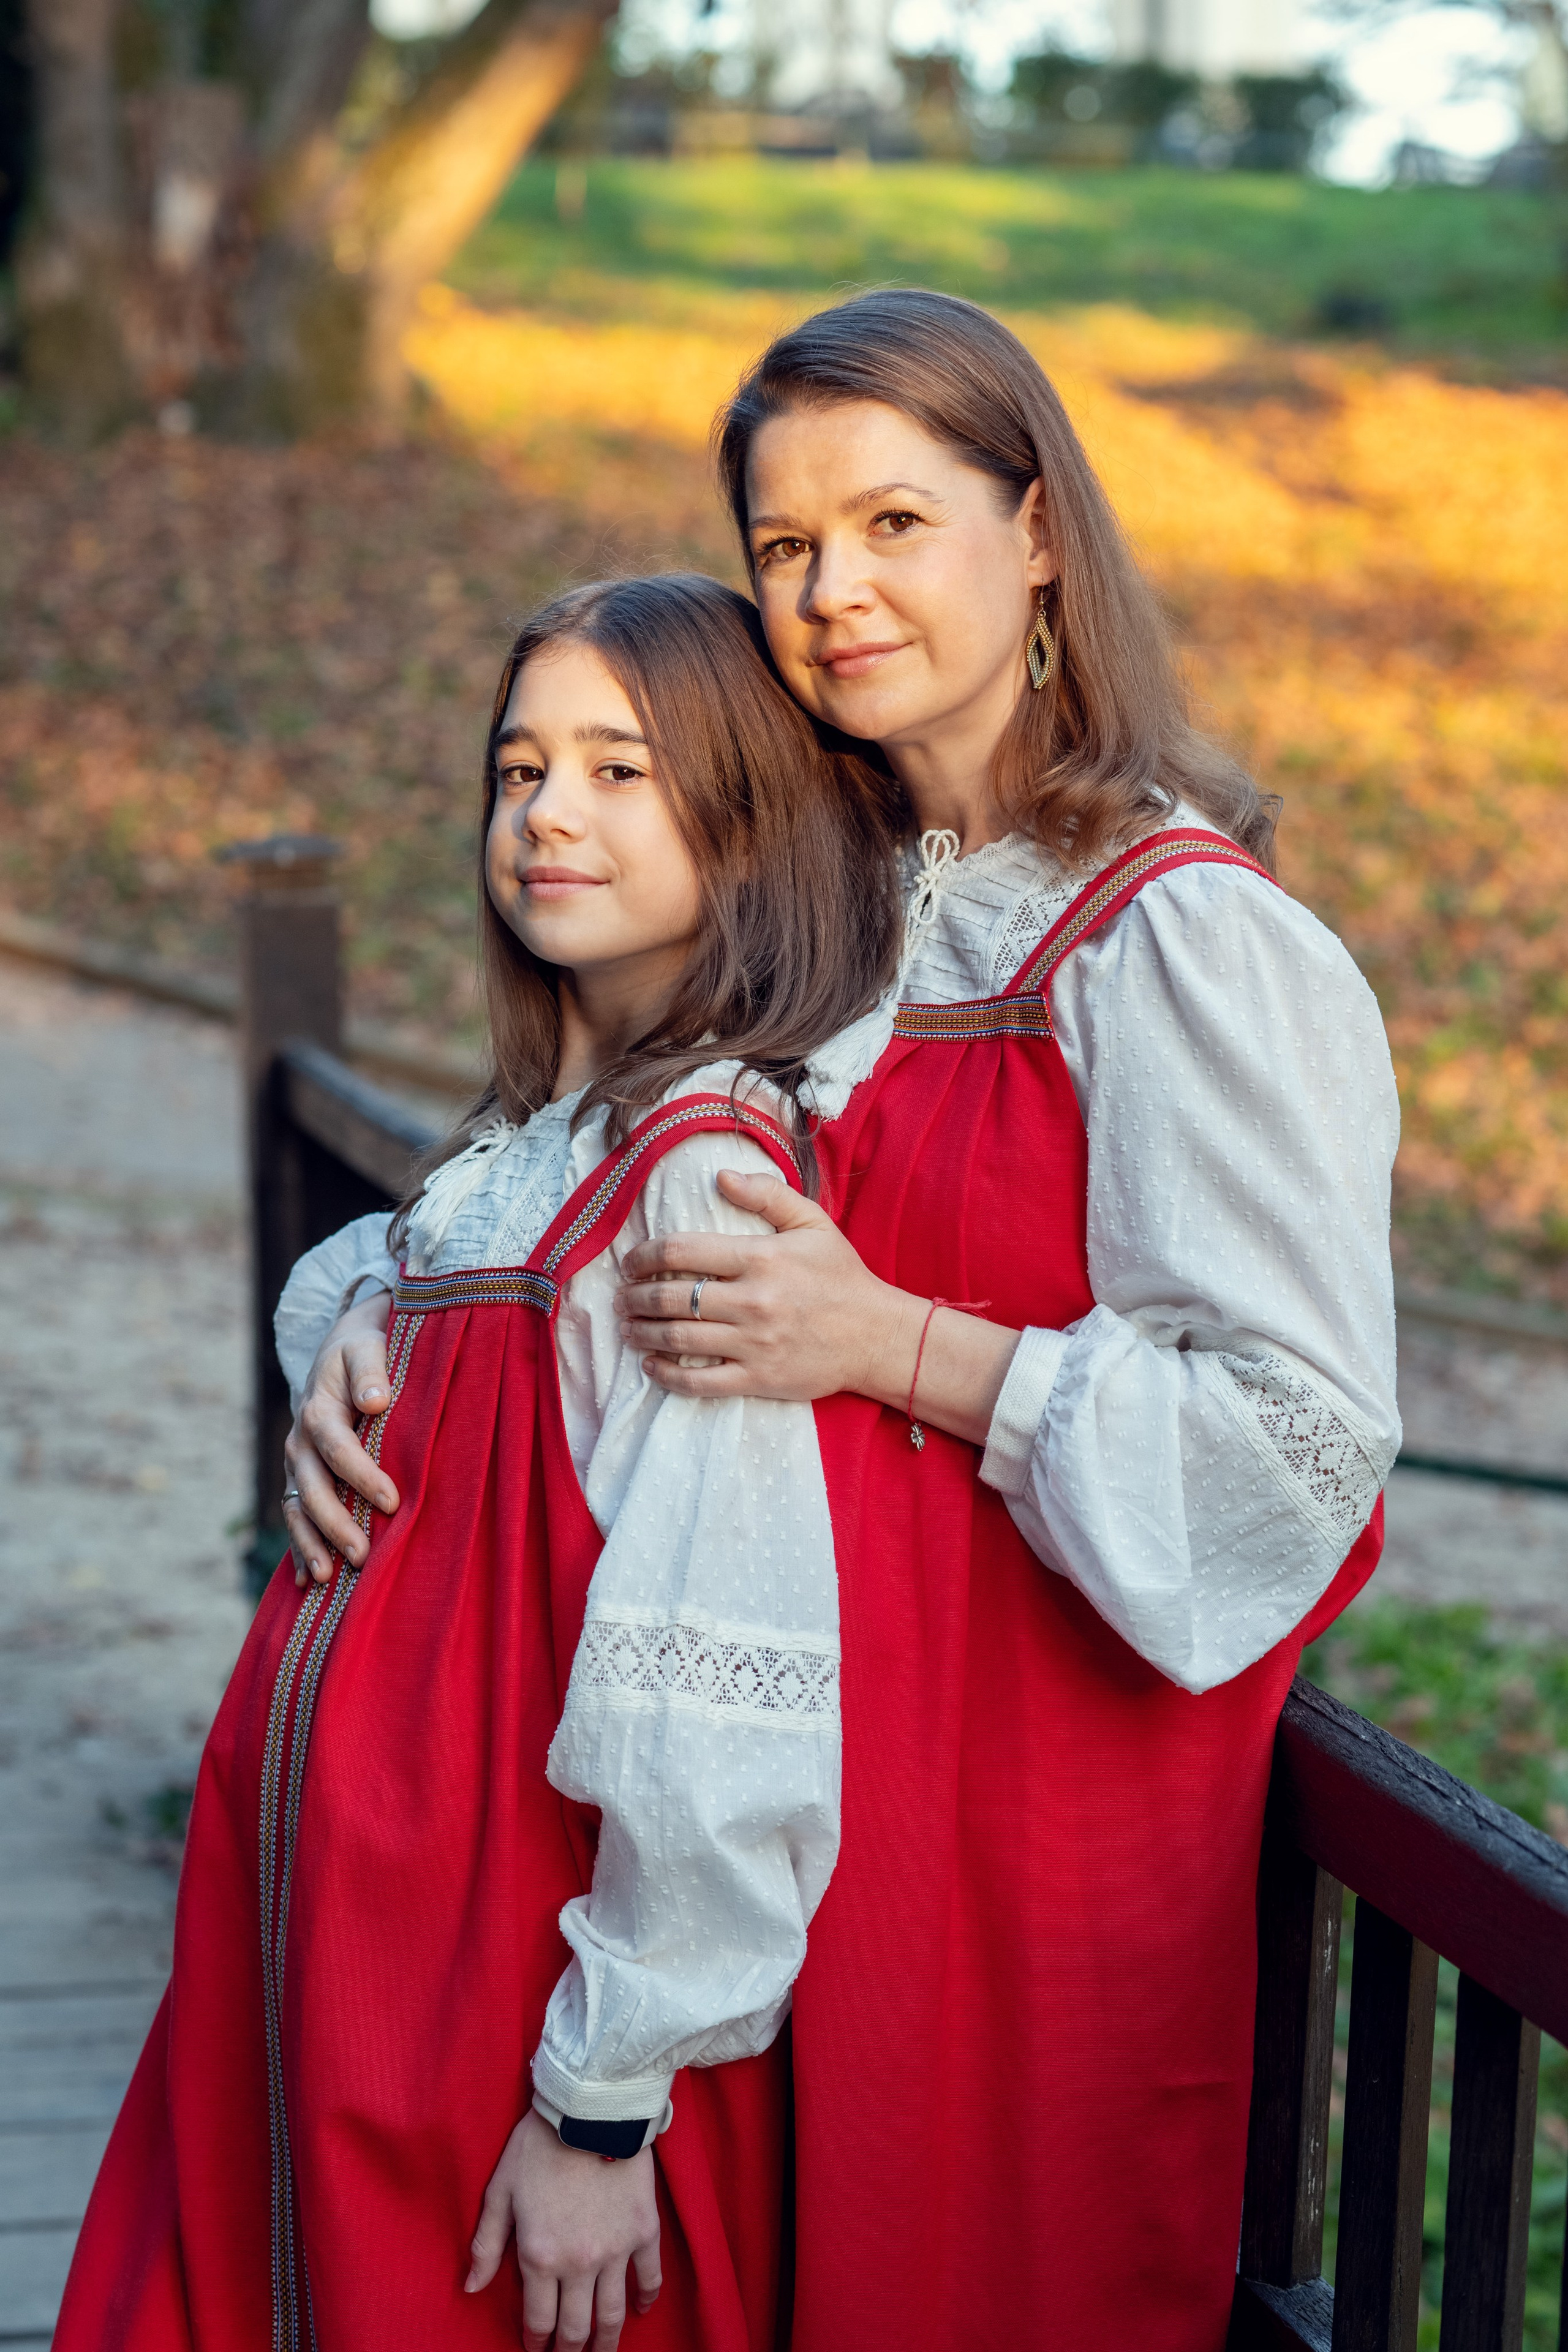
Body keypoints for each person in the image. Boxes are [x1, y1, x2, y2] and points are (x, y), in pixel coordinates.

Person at [245, 293, 1403, 2352]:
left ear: (1037, 530)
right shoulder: (823, 886)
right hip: (744, 1812)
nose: (832, 591)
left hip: (1010, 1849)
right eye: (784, 545)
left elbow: (1298, 1461)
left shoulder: (1186, 940)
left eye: (894, 523)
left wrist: (893, 1345)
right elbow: (555, 1171)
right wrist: (351, 1316)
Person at [53, 574, 903, 2352]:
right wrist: (359, 1326)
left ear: (746, 822)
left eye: (620, 770)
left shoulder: (705, 1182)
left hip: (500, 1991)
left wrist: (602, 2096)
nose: (548, 814)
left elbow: (719, 1662)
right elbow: (442, 1294)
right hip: (328, 1972)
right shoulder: (533, 1145)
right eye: (520, 770)